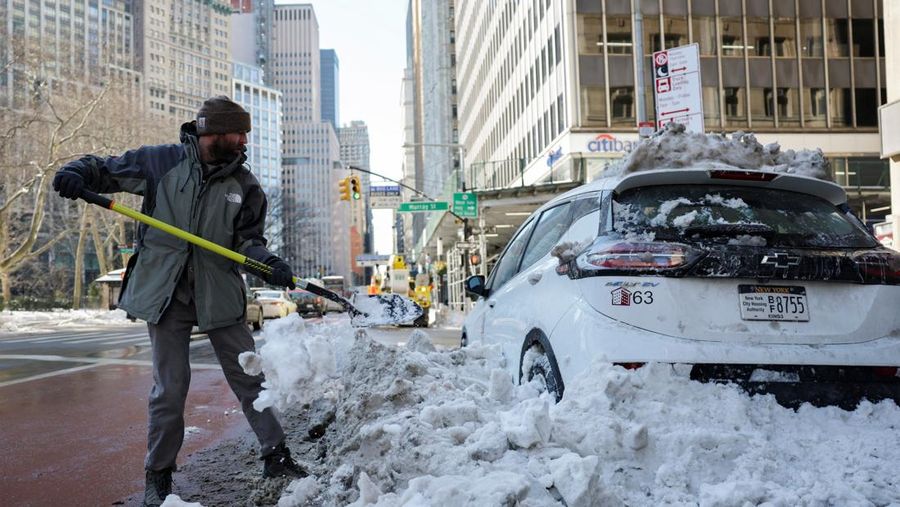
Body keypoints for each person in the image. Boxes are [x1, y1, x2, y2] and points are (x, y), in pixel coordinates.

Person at [52, 96, 306, 506]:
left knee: (249, 379)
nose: (244, 141)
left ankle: (276, 455)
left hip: (219, 293)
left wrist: (268, 263)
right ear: (214, 133)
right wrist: (75, 171)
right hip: (166, 293)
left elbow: (248, 244)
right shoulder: (160, 163)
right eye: (238, 133)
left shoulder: (246, 185)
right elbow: (104, 169)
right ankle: (159, 474)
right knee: (169, 389)